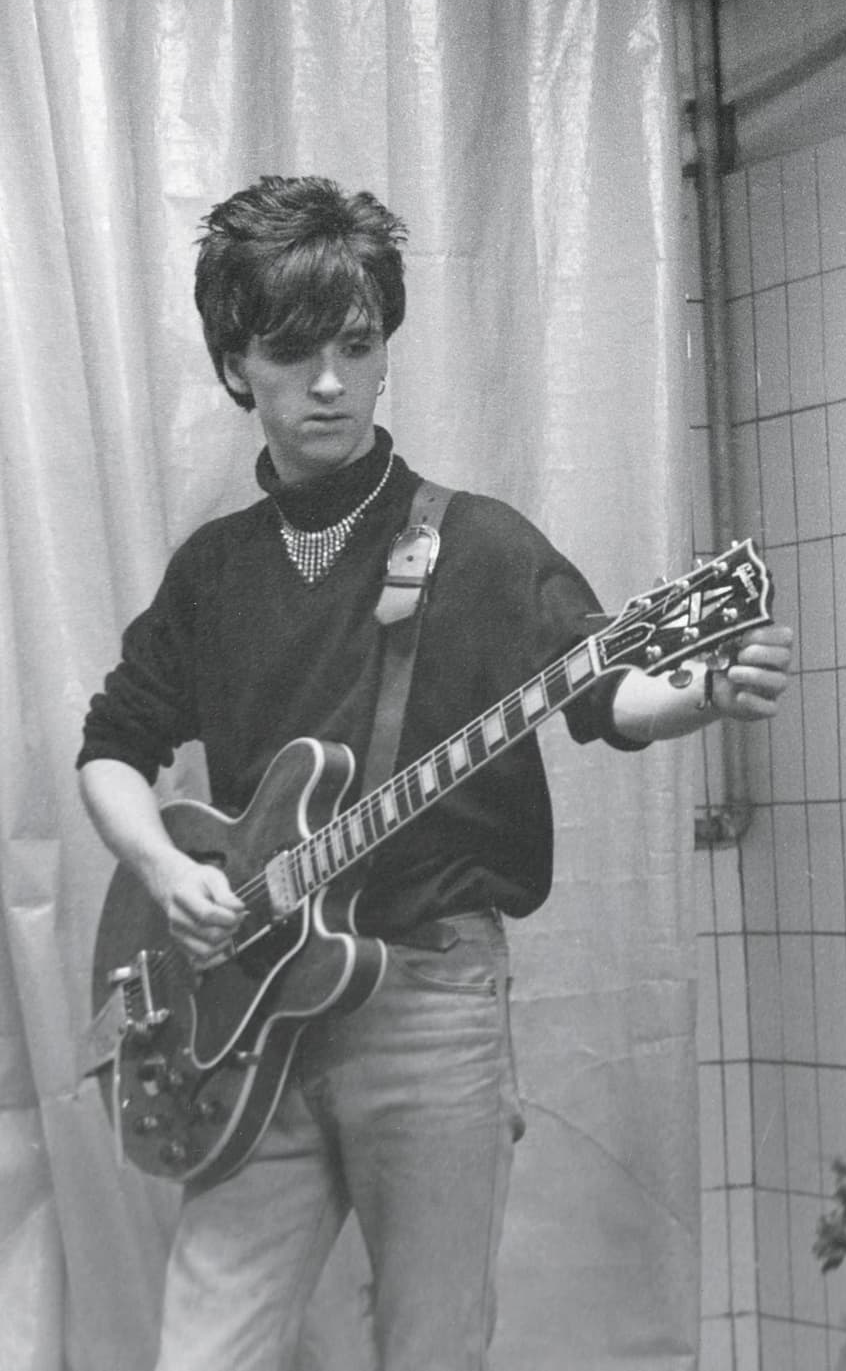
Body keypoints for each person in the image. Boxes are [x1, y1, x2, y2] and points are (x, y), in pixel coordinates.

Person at [77, 174, 793, 1371]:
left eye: (357, 347)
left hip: (426, 1001)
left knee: (431, 1346)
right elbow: (112, 746)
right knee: (200, 1350)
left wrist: (702, 691)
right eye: (293, 351)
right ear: (236, 364)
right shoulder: (213, 571)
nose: (329, 382)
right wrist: (162, 866)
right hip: (244, 1014)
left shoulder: (476, 541)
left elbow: (604, 689)